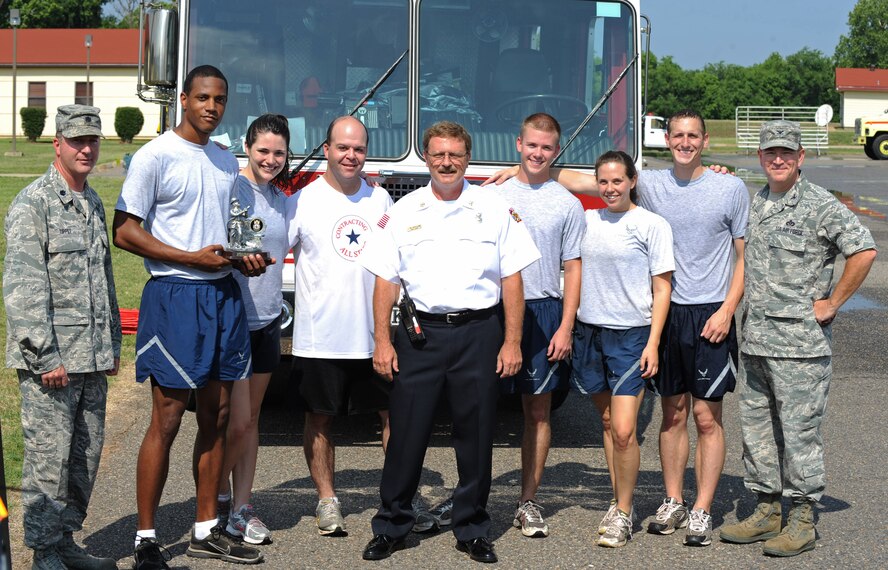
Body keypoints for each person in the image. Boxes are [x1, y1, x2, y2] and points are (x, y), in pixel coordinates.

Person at [484, 108, 749, 547]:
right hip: (612, 328)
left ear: (704, 140)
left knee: (700, 416)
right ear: (666, 139)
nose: (684, 142)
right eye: (677, 135)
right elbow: (567, 175)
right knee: (667, 414)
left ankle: (696, 507)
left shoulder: (727, 187)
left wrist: (727, 309)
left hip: (697, 313)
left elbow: (743, 254)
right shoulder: (648, 184)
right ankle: (671, 500)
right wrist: (515, 169)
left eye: (693, 136)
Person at [360, 121, 540, 563]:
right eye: (438, 154)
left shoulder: (492, 208)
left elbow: (513, 278)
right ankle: (393, 524)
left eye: (455, 154)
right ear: (425, 157)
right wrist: (382, 341)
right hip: (420, 336)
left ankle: (473, 528)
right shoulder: (404, 210)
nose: (446, 162)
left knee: (476, 435)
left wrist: (512, 341)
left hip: (479, 334)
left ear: (467, 158)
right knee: (406, 433)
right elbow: (386, 279)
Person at [114, 65, 264, 568]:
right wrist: (189, 258)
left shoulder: (225, 160)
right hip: (175, 295)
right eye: (202, 97)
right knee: (168, 417)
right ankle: (146, 538)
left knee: (218, 415)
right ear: (183, 99)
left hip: (222, 296)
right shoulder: (154, 156)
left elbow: (239, 228)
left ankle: (205, 528)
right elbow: (125, 231)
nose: (211, 107)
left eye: (219, 99)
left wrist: (250, 254)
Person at [719, 120, 876, 557]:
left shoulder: (821, 204)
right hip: (755, 342)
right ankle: (767, 509)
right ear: (761, 158)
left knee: (799, 434)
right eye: (771, 153)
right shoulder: (760, 200)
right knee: (758, 432)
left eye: (787, 152)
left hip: (800, 349)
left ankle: (803, 517)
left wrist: (831, 303)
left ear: (801, 157)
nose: (779, 159)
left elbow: (863, 251)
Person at [4, 105, 120, 570]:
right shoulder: (33, 204)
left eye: (92, 140)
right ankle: (44, 553)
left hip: (91, 358)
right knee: (47, 466)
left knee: (84, 459)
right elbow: (23, 289)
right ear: (58, 144)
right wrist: (43, 356)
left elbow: (104, 278)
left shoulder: (91, 202)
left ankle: (66, 541)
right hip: (51, 366)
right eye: (76, 141)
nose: (86, 149)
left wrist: (111, 342)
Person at [285, 116, 396, 537]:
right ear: (326, 149)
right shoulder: (302, 201)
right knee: (320, 419)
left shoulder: (381, 201)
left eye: (359, 148)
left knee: (394, 417)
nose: (351, 156)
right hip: (321, 338)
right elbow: (274, 253)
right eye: (343, 147)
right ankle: (327, 500)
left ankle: (396, 496)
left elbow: (394, 264)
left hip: (375, 337)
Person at [489, 113, 584, 538]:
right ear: (518, 144)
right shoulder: (492, 195)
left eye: (547, 147)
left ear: (556, 152)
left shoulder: (567, 202)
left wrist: (566, 327)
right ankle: (472, 495)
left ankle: (527, 500)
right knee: (475, 409)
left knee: (538, 410)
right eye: (532, 145)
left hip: (544, 311)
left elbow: (574, 267)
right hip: (492, 311)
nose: (538, 153)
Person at [572, 151, 673, 548]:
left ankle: (625, 513)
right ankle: (617, 501)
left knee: (627, 430)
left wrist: (653, 343)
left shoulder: (651, 224)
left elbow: (663, 287)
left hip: (632, 335)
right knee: (610, 425)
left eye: (618, 181)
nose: (610, 188)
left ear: (632, 181)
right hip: (589, 332)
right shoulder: (585, 220)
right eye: (603, 181)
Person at [217, 114, 292, 545]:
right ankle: (215, 505)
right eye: (263, 150)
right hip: (234, 321)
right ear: (247, 147)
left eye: (279, 152)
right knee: (235, 421)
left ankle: (240, 506)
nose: (271, 159)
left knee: (251, 420)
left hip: (267, 321)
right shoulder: (231, 188)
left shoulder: (280, 198)